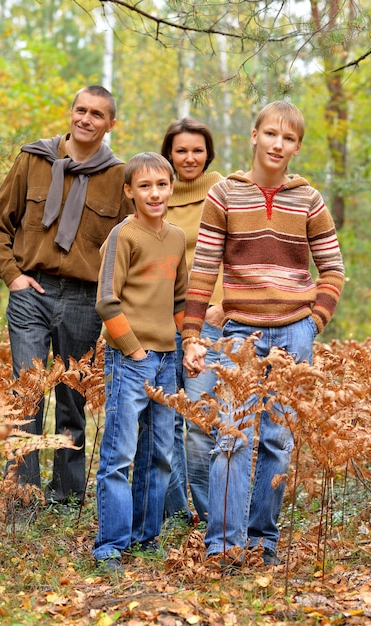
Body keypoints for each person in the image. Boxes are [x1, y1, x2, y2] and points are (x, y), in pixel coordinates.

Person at [181, 101, 345, 565]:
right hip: (238, 334)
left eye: (288, 138)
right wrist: (193, 334)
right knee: (232, 435)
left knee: (277, 439)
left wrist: (313, 323)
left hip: (294, 333)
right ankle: (224, 545)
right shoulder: (225, 195)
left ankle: (261, 542)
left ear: (297, 146)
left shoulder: (309, 200)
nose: (278, 144)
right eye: (271, 134)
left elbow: (332, 268)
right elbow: (203, 269)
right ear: (254, 136)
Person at [0, 85, 133, 513]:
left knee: (72, 399)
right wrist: (13, 277)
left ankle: (66, 500)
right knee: (27, 395)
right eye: (80, 110)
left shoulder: (118, 177)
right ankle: (23, 502)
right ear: (71, 113)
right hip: (32, 291)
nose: (86, 119)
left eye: (97, 114)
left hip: (84, 299)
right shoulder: (33, 159)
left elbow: (126, 246)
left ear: (110, 125)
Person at [93, 152, 188, 573]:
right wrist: (132, 349)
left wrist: (188, 345)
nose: (155, 193)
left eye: (162, 185)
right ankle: (110, 545)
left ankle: (145, 537)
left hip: (168, 357)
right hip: (131, 358)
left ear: (172, 188)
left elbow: (181, 298)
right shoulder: (123, 236)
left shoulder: (178, 237)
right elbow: (106, 300)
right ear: (130, 191)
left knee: (160, 452)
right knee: (119, 454)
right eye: (145, 186)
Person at [160, 117, 224, 523]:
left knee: (200, 422)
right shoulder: (154, 192)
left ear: (208, 153)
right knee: (164, 422)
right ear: (169, 153)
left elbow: (243, 251)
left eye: (197, 150)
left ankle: (210, 514)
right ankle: (176, 515)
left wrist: (225, 304)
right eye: (181, 150)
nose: (189, 157)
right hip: (161, 322)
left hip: (209, 321)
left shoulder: (223, 190)